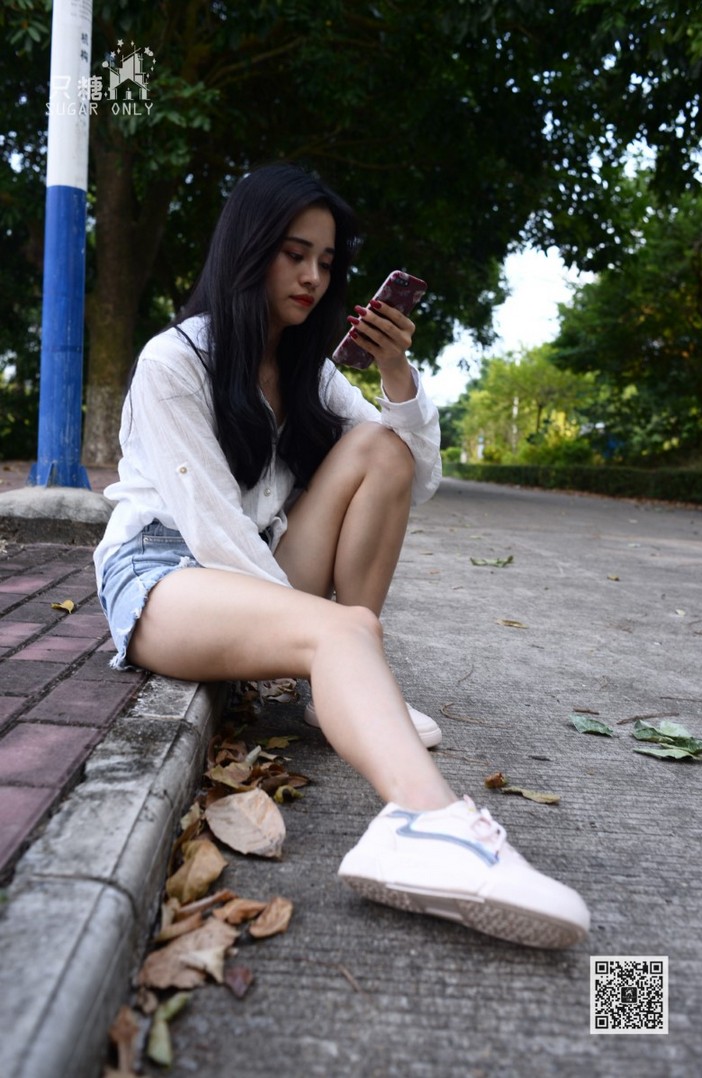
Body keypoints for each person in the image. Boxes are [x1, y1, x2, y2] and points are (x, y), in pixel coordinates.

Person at [94, 162, 590, 949]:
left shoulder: (310, 372)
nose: (313, 278)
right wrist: (330, 640)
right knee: (344, 631)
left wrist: (396, 370)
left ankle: (343, 696)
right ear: (247, 249)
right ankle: (426, 825)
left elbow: (414, 478)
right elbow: (213, 532)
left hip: (254, 569)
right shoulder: (175, 361)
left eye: (326, 261)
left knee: (381, 450)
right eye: (294, 254)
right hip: (163, 575)